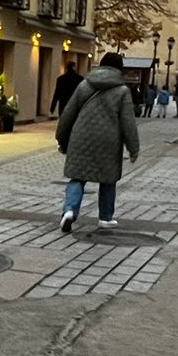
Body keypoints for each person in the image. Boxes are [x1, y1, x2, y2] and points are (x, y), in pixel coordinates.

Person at [56, 51, 139, 233]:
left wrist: (62, 138)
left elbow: (68, 114)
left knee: (77, 177)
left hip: (81, 138)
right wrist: (133, 148)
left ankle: (69, 211)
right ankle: (105, 217)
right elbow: (128, 122)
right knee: (108, 179)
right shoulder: (122, 90)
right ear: (120, 69)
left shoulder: (84, 85)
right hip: (109, 141)